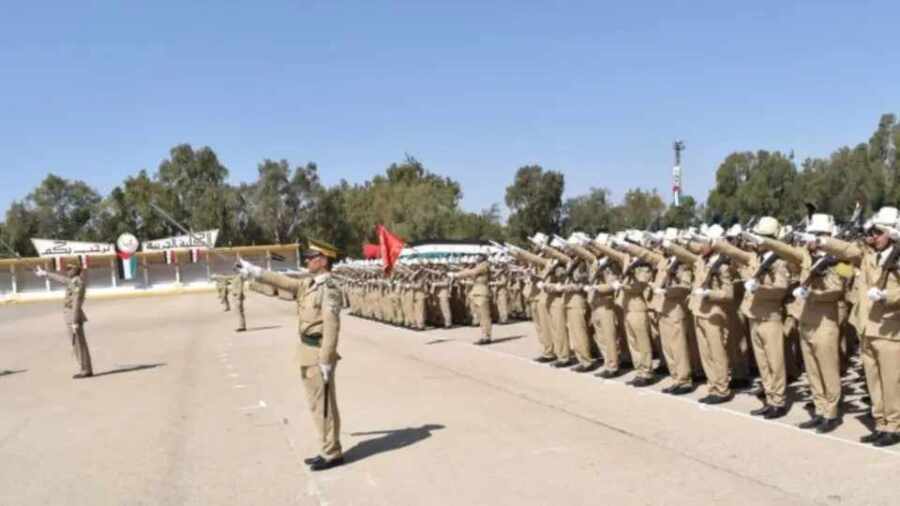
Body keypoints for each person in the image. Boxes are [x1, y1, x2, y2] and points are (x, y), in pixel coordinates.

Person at [239, 239, 346, 469]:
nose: (307, 260)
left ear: (324, 260)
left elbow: (331, 325)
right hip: (306, 350)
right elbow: (283, 282)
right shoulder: (309, 284)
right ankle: (327, 447)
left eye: (311, 257)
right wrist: (255, 272)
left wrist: (327, 358)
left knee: (324, 404)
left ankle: (332, 452)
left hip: (319, 353)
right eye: (307, 257)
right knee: (316, 405)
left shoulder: (330, 289)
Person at [35, 263, 93, 378]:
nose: (67, 271)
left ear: (76, 269)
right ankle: (85, 368)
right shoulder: (73, 281)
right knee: (77, 344)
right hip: (70, 315)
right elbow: (61, 279)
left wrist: (75, 320)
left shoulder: (77, 282)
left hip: (73, 316)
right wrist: (45, 273)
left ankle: (85, 370)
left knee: (78, 344)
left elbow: (76, 303)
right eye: (67, 269)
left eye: (69, 269)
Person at [448, 254, 493, 345]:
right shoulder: (480, 266)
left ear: (483, 258)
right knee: (480, 316)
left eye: (479, 256)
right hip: (477, 292)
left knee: (484, 316)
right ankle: (484, 335)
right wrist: (459, 270)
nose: (476, 258)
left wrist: (456, 275)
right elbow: (470, 272)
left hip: (482, 292)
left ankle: (487, 336)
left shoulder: (484, 265)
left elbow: (472, 272)